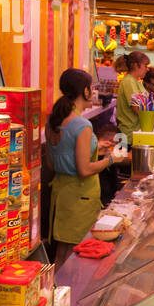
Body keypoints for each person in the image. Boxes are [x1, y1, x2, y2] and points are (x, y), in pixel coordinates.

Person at [46, 69, 119, 264]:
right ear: (85, 91)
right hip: (80, 198)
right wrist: (112, 159)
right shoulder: (82, 125)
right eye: (91, 88)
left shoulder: (53, 120)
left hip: (60, 197)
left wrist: (97, 148)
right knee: (75, 256)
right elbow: (84, 170)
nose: (93, 92)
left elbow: (52, 163)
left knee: (60, 253)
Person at [116, 51, 150, 142]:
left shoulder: (136, 82)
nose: (147, 69)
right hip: (130, 135)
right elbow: (137, 108)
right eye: (145, 66)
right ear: (135, 65)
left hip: (137, 131)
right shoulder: (129, 82)